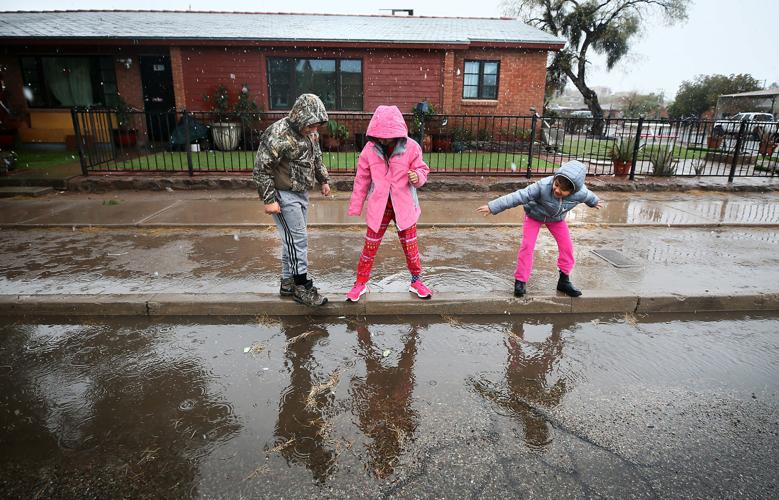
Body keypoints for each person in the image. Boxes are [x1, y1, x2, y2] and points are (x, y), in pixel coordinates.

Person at [476, 160, 602, 297]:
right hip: (534, 216)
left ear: (573, 190)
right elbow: (518, 196)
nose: (557, 190)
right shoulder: (542, 186)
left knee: (567, 246)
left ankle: (564, 281)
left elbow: (589, 196)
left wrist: (594, 202)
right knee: (527, 246)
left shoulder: (581, 192)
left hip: (556, 219)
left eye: (563, 190)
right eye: (557, 185)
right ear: (555, 179)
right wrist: (493, 206)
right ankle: (520, 281)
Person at [345, 105, 432, 302]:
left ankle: (416, 280)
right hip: (380, 207)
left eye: (388, 135)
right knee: (370, 245)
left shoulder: (411, 147)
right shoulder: (369, 150)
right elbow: (362, 179)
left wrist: (416, 176)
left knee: (411, 246)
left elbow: (423, 170)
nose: (384, 139)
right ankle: (360, 283)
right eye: (381, 135)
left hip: (404, 206)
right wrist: (356, 206)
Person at [253, 93, 331, 307]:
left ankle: (287, 283)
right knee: (298, 240)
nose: (313, 130)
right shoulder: (278, 133)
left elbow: (316, 157)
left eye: (316, 125)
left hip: (301, 193)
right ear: (300, 117)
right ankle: (302, 287)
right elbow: (262, 169)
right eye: (310, 125)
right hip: (283, 194)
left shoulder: (311, 134)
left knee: (292, 240)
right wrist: (269, 199)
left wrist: (323, 179)